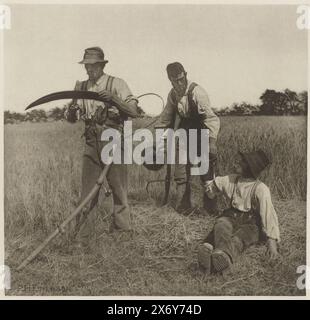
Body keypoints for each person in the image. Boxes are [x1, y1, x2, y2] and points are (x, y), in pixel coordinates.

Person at [66, 47, 140, 247]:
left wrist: (114, 99)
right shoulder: (80, 87)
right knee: (88, 191)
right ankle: (83, 236)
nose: (89, 70)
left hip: (112, 140)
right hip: (91, 141)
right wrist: (72, 111)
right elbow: (71, 119)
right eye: (86, 66)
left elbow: (133, 111)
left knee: (118, 188)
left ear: (101, 65)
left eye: (93, 66)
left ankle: (123, 232)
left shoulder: (116, 84)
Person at [197, 150, 280, 275]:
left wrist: (272, 241)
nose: (238, 162)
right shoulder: (231, 179)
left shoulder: (261, 189)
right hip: (231, 216)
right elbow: (212, 189)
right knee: (221, 225)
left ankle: (223, 256)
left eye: (242, 162)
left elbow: (268, 214)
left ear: (250, 168)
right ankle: (216, 256)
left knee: (240, 237)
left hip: (251, 223)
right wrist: (209, 186)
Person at [154, 62, 220, 215]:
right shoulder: (172, 94)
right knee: (181, 174)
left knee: (206, 173)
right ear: (169, 80)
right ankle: (184, 208)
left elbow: (211, 119)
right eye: (175, 80)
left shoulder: (197, 92)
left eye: (181, 79)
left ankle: (211, 209)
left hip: (201, 132)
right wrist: (160, 143)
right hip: (184, 133)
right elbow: (165, 119)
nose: (179, 83)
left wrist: (212, 143)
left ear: (185, 74)